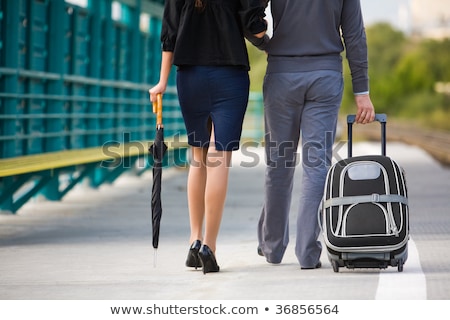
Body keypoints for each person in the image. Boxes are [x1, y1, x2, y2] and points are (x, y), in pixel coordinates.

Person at [251, 0, 376, 269]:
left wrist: (265, 43)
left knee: (279, 164)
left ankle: (272, 248)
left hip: (282, 74)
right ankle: (307, 253)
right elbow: (354, 35)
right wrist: (362, 91)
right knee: (316, 166)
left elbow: (249, 16)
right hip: (325, 76)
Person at [149, 0, 267, 274]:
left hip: (190, 76)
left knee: (198, 157)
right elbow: (255, 27)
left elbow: (169, 34)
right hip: (230, 75)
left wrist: (162, 82)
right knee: (219, 157)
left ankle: (195, 239)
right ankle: (209, 247)